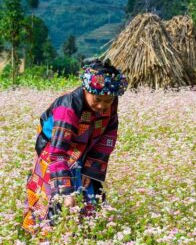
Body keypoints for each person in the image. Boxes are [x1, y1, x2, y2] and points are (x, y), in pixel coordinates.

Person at [22, 59, 127, 234]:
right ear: (87, 90)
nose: (102, 106)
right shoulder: (68, 107)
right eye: (98, 99)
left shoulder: (110, 105)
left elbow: (106, 138)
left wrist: (89, 169)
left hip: (84, 147)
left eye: (108, 101)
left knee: (89, 187)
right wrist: (66, 192)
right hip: (54, 146)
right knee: (50, 193)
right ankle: (43, 239)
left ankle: (85, 233)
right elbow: (58, 153)